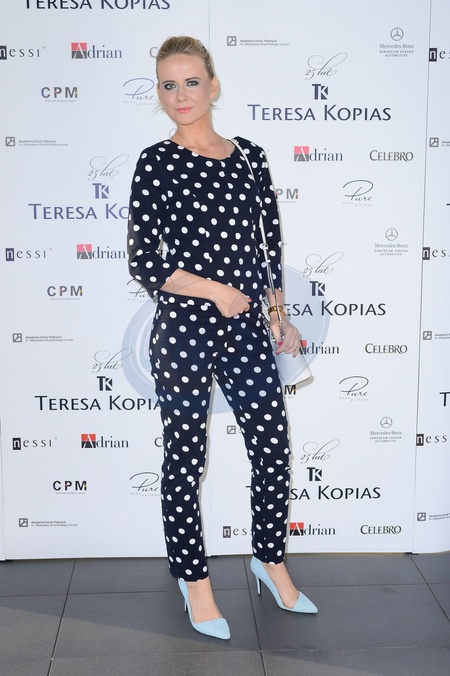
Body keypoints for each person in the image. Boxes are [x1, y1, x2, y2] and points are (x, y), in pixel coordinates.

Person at [127, 35, 317, 640]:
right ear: (159, 93)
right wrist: (215, 292)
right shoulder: (156, 162)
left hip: (248, 329)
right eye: (168, 84)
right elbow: (144, 262)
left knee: (273, 449)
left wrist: (279, 315)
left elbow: (268, 246)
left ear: (212, 85)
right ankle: (195, 581)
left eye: (191, 81)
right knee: (185, 458)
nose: (180, 94)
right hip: (184, 329)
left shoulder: (250, 156)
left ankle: (270, 560)